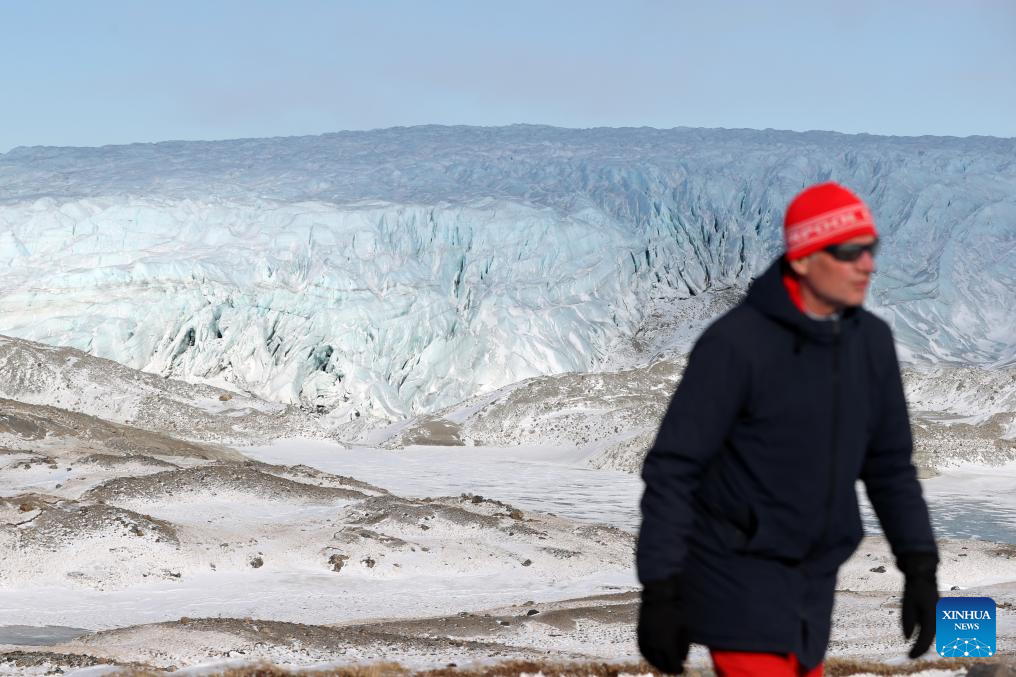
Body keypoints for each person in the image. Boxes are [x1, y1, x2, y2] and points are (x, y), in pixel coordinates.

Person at [635, 182, 940, 676]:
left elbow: (889, 467)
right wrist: (660, 588)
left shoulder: (871, 343)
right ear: (802, 259)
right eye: (849, 252)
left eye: (871, 249)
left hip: (814, 585)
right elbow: (674, 468)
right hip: (736, 572)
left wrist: (919, 564)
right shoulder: (736, 343)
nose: (867, 265)